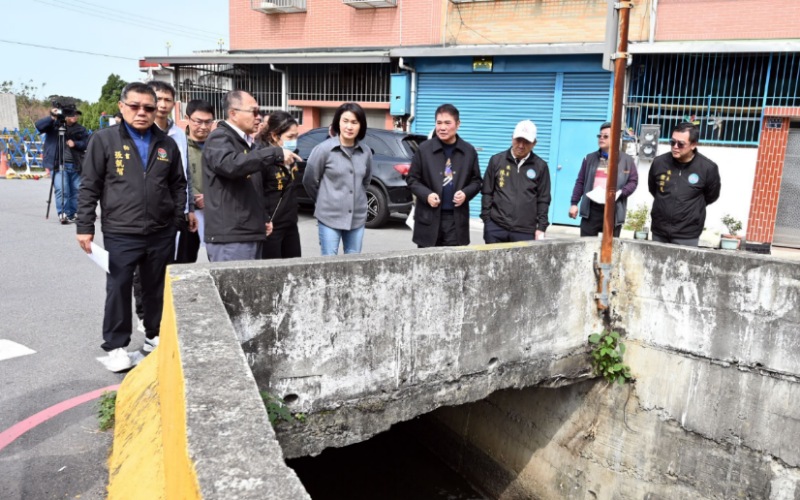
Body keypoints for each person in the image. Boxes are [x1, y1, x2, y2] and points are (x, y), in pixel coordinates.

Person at [76, 82, 187, 372]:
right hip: (121, 231)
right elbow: (89, 186)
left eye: (148, 107)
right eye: (135, 106)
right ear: (122, 107)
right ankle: (116, 345)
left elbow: (178, 185)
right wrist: (84, 225)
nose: (142, 112)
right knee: (119, 287)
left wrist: (175, 220)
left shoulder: (167, 144)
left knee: (155, 288)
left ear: (156, 110)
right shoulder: (104, 140)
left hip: (161, 231)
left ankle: (153, 336)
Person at [202, 90, 300, 262]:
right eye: (253, 111)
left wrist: (262, 218)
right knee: (235, 288)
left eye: (259, 112)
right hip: (232, 236)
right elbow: (232, 165)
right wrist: (274, 154)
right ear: (233, 113)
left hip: (250, 232)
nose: (259, 117)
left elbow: (253, 189)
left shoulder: (247, 144)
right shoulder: (219, 138)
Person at [406, 103, 482, 247]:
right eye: (439, 123)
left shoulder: (468, 151)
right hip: (429, 217)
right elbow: (412, 179)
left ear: (458, 124)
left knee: (453, 264)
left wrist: (465, 193)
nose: (442, 127)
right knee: (426, 262)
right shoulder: (424, 149)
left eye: (447, 123)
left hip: (455, 219)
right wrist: (426, 195)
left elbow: (477, 181)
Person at [303, 102, 373, 255]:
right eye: (345, 121)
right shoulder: (323, 149)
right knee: (329, 264)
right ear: (338, 123)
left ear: (361, 125)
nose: (349, 127)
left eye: (354, 122)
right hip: (329, 217)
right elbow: (309, 180)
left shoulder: (365, 152)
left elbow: (365, 181)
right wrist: (324, 200)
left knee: (353, 263)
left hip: (357, 218)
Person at [648, 122, 721, 246]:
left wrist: (691, 210)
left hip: (687, 235)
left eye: (681, 144)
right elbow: (653, 189)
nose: (675, 147)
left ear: (693, 145)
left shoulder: (707, 168)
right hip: (659, 231)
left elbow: (711, 196)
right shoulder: (659, 163)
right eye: (672, 142)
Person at [481, 120, 550, 242]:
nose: (521, 146)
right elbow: (487, 192)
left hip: (525, 231)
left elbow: (543, 199)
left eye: (527, 142)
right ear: (512, 138)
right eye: (518, 140)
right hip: (496, 228)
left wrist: (541, 227)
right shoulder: (497, 161)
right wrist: (487, 221)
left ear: (534, 143)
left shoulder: (541, 166)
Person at [569, 122, 639, 237]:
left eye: (605, 136)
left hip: (613, 210)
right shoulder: (589, 158)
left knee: (610, 250)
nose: (601, 138)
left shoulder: (627, 160)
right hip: (592, 210)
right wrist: (574, 203)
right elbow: (580, 182)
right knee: (587, 247)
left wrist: (620, 193)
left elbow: (633, 182)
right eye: (599, 136)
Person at [257, 111, 302, 259]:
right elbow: (256, 192)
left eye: (296, 136)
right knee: (273, 274)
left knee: (294, 270)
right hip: (271, 227)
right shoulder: (263, 157)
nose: (294, 141)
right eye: (290, 137)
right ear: (275, 136)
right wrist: (264, 218)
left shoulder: (292, 156)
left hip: (290, 224)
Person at [36, 106, 90, 224]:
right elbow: (39, 126)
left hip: (76, 164)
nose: (75, 116)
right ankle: (63, 213)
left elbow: (86, 144)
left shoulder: (81, 129)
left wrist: (75, 143)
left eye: (77, 114)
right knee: (62, 189)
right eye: (72, 114)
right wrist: (52, 117)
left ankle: (74, 213)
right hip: (58, 163)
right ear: (65, 115)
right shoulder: (54, 126)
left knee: (76, 190)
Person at [179, 99, 215, 263]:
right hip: (188, 213)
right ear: (187, 118)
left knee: (218, 261)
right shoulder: (178, 145)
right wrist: (190, 200)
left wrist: (211, 197)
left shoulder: (219, 146)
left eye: (208, 122)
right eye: (198, 121)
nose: (204, 126)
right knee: (185, 261)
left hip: (215, 211)